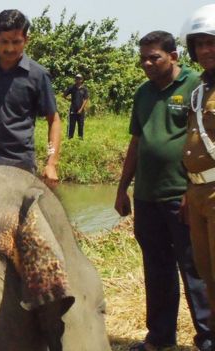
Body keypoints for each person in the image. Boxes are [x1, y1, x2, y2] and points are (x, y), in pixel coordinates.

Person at [114, 30, 212, 351]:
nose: (146, 63)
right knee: (156, 268)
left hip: (182, 194)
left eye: (154, 57)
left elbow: (200, 141)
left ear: (173, 56)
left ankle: (207, 338)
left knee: (195, 268)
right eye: (143, 57)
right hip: (147, 195)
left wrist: (190, 190)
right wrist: (122, 188)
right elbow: (137, 141)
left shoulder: (196, 86)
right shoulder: (143, 93)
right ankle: (160, 337)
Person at [0, 9, 61, 189]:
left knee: (17, 217)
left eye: (16, 42)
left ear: (26, 40)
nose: (10, 48)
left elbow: (53, 119)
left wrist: (51, 163)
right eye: (4, 42)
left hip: (19, 166)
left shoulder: (38, 75)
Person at [181, 5, 215, 348]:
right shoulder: (200, 90)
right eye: (200, 44)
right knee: (207, 275)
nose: (206, 50)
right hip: (198, 194)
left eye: (213, 43)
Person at [62, 73, 89, 139]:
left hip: (81, 110)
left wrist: (81, 109)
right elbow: (64, 95)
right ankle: (70, 139)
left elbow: (85, 99)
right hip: (73, 109)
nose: (77, 80)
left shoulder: (84, 89)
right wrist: (70, 99)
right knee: (71, 125)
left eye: (79, 78)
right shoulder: (72, 87)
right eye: (76, 78)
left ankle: (80, 139)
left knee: (81, 125)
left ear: (82, 80)